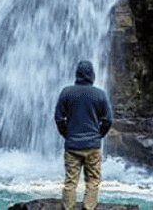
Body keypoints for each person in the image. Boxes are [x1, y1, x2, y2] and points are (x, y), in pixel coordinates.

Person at [54, 60, 113, 210]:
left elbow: (59, 118)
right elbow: (108, 120)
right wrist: (98, 135)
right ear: (92, 75)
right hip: (93, 146)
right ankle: (88, 207)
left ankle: (68, 208)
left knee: (70, 182)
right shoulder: (100, 94)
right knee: (93, 181)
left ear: (77, 74)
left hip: (72, 145)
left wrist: (66, 134)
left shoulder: (66, 92)